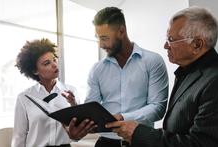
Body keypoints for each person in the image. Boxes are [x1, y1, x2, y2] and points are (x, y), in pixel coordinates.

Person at [106, 6, 218, 147]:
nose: (165, 45)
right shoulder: (188, 72)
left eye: (171, 39)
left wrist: (138, 133)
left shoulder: (214, 81)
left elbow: (201, 143)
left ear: (196, 44)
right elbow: (178, 129)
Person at [84, 7, 168, 147]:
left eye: (104, 38)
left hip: (141, 141)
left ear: (121, 32)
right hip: (105, 143)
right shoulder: (96, 69)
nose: (100, 45)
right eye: (98, 38)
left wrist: (123, 117)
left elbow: (157, 108)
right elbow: (91, 106)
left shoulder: (153, 61)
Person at [11, 38, 79, 147]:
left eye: (54, 59)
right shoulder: (24, 97)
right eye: (47, 63)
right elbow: (19, 136)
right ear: (35, 70)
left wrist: (73, 104)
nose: (54, 65)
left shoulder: (71, 92)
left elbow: (78, 131)